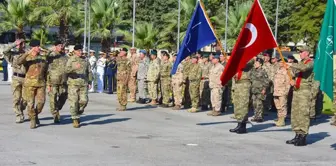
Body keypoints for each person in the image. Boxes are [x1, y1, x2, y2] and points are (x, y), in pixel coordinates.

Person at [285, 46, 314, 146]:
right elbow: (296, 75)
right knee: (295, 113)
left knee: (303, 113)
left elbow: (304, 69)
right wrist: (292, 80)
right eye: (299, 52)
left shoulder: (311, 62)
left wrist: (291, 64)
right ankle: (297, 134)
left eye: (301, 52)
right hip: (297, 90)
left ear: (307, 53)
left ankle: (303, 136)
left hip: (305, 91)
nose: (300, 53)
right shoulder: (299, 63)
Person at [17, 40, 48, 129]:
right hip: (29, 84)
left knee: (41, 103)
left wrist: (48, 83)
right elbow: (19, 62)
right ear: (33, 47)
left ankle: (35, 114)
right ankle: (33, 119)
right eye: (37, 46)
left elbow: (46, 71)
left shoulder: (42, 58)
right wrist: (28, 53)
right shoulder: (27, 57)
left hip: (41, 83)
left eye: (39, 46)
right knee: (30, 103)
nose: (39, 48)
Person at [65, 44, 93, 128]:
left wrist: (90, 81)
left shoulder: (85, 60)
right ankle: (75, 119)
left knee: (84, 101)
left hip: (83, 83)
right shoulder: (71, 60)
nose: (80, 52)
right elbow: (66, 70)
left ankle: (77, 112)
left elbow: (89, 71)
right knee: (73, 102)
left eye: (81, 50)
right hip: (73, 84)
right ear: (75, 51)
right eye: (78, 51)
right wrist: (74, 68)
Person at [2, 37, 27, 123]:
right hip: (16, 78)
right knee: (16, 98)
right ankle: (18, 115)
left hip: (26, 78)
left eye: (24, 43)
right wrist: (14, 44)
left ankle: (21, 109)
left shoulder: (28, 54)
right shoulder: (13, 54)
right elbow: (5, 51)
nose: (22, 45)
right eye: (21, 44)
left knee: (25, 99)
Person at [46, 41, 68, 123]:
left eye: (61, 45)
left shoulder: (65, 57)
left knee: (64, 96)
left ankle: (57, 108)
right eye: (59, 45)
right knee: (53, 98)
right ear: (55, 46)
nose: (61, 47)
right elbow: (45, 56)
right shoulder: (51, 56)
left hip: (63, 82)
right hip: (53, 81)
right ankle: (55, 115)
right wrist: (51, 49)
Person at [230, 60, 254, 134]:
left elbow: (248, 64)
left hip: (244, 85)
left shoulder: (249, 58)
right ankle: (239, 124)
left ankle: (243, 127)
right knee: (237, 106)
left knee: (243, 106)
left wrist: (238, 60)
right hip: (237, 85)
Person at [250, 57, 269, 122]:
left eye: (257, 63)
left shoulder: (263, 71)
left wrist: (264, 89)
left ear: (260, 64)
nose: (255, 64)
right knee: (254, 104)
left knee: (259, 104)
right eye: (255, 62)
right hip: (254, 89)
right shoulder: (253, 70)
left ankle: (260, 117)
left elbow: (266, 81)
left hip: (260, 89)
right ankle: (255, 116)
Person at [273, 59, 291, 127]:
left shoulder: (286, 72)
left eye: (282, 62)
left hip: (282, 91)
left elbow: (288, 83)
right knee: (278, 106)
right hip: (276, 91)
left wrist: (286, 92)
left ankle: (282, 120)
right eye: (279, 62)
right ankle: (279, 118)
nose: (280, 63)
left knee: (283, 106)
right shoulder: (278, 71)